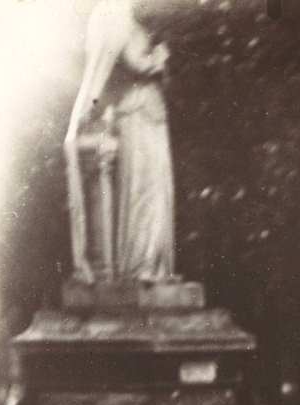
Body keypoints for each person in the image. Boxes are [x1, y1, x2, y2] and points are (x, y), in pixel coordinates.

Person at [65, 0, 174, 282]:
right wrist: (157, 59)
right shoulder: (116, 16)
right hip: (134, 111)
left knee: (156, 188)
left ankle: (155, 265)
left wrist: (158, 59)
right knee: (141, 188)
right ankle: (139, 266)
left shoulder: (137, 24)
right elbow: (133, 62)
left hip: (152, 112)